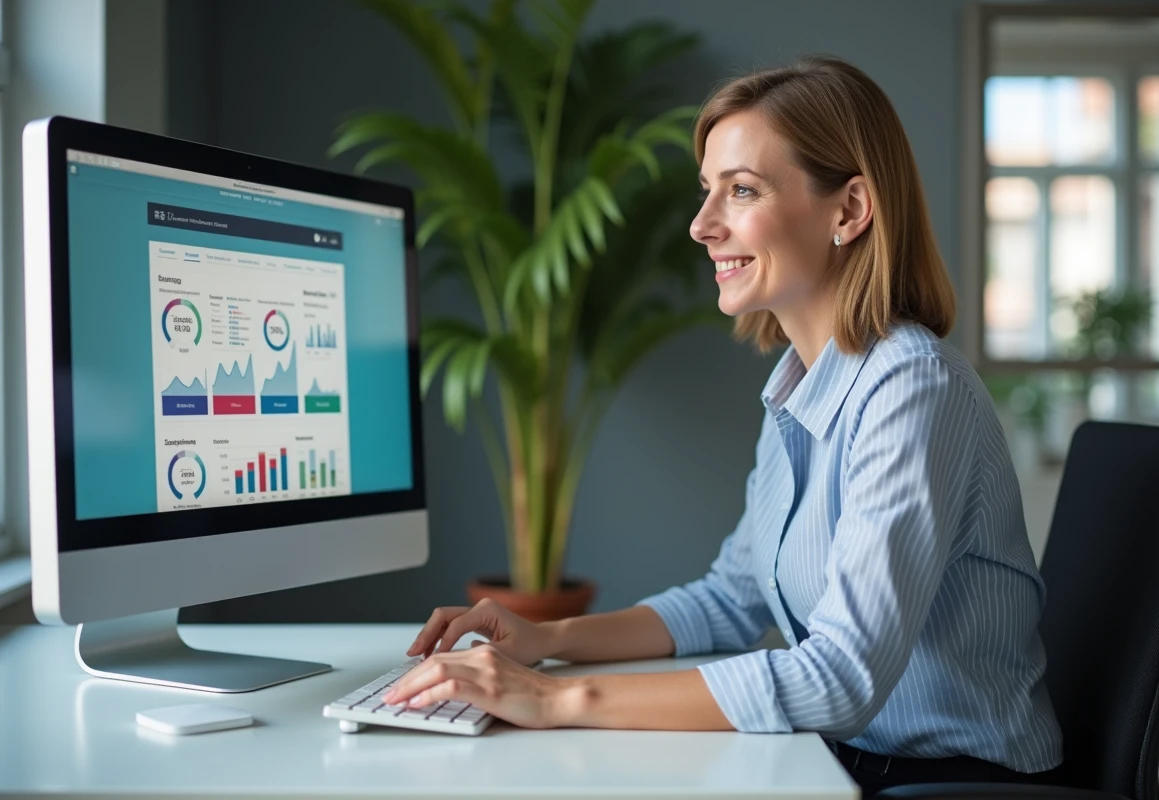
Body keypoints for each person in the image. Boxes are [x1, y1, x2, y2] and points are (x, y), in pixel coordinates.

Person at [382, 55, 1063, 797]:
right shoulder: (801, 386)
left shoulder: (911, 388)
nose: (703, 226)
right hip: (851, 760)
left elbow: (841, 679)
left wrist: (552, 700)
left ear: (849, 211)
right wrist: (546, 640)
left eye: (741, 191)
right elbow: (731, 598)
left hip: (951, 780)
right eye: (708, 192)